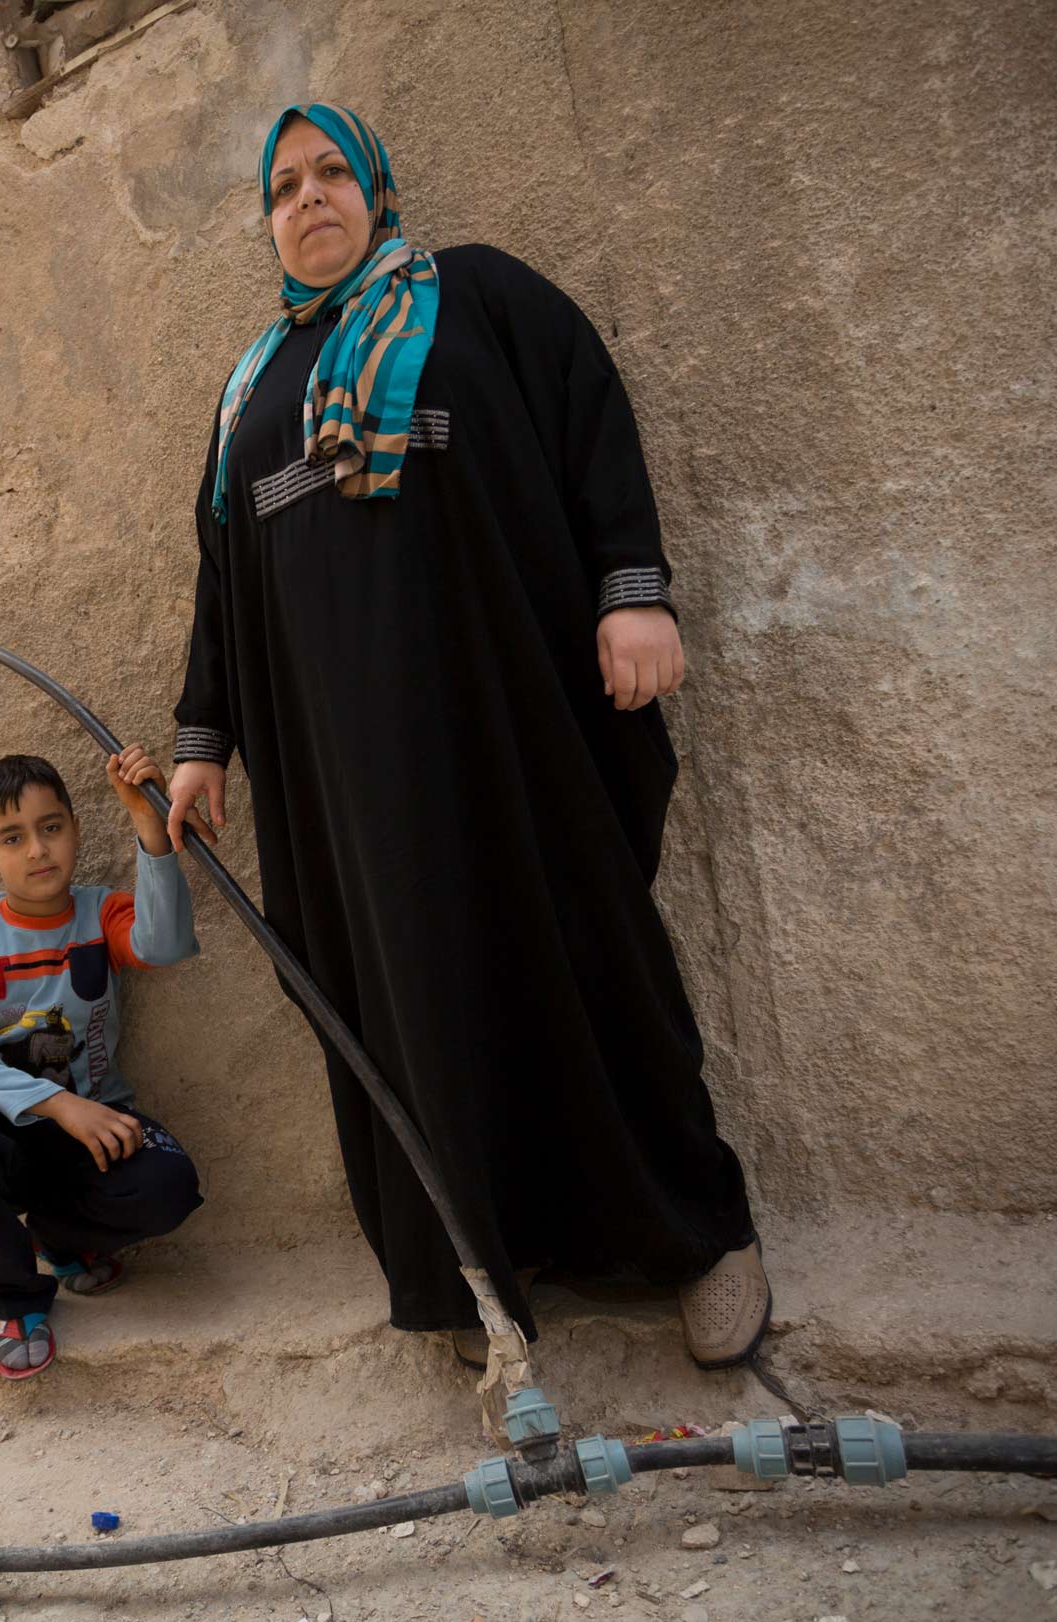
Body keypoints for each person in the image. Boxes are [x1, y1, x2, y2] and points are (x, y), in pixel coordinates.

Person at [163, 103, 770, 1370]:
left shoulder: (478, 298)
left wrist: (633, 589)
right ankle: (480, 1269)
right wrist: (201, 739)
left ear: (379, 192)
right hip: (346, 784)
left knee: (581, 952)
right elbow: (226, 578)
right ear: (266, 222)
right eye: (284, 186)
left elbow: (589, 418)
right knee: (405, 1005)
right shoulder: (250, 390)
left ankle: (697, 1239)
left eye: (333, 172)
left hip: (506, 730)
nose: (309, 197)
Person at [0, 749, 206, 1378]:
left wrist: (150, 828)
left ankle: (58, 1238)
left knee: (170, 1186)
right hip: (8, 1135)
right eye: (12, 838)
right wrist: (59, 1104)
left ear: (74, 829)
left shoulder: (100, 914)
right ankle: (16, 1300)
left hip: (92, 1136)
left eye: (51, 828)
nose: (37, 850)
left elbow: (166, 944)